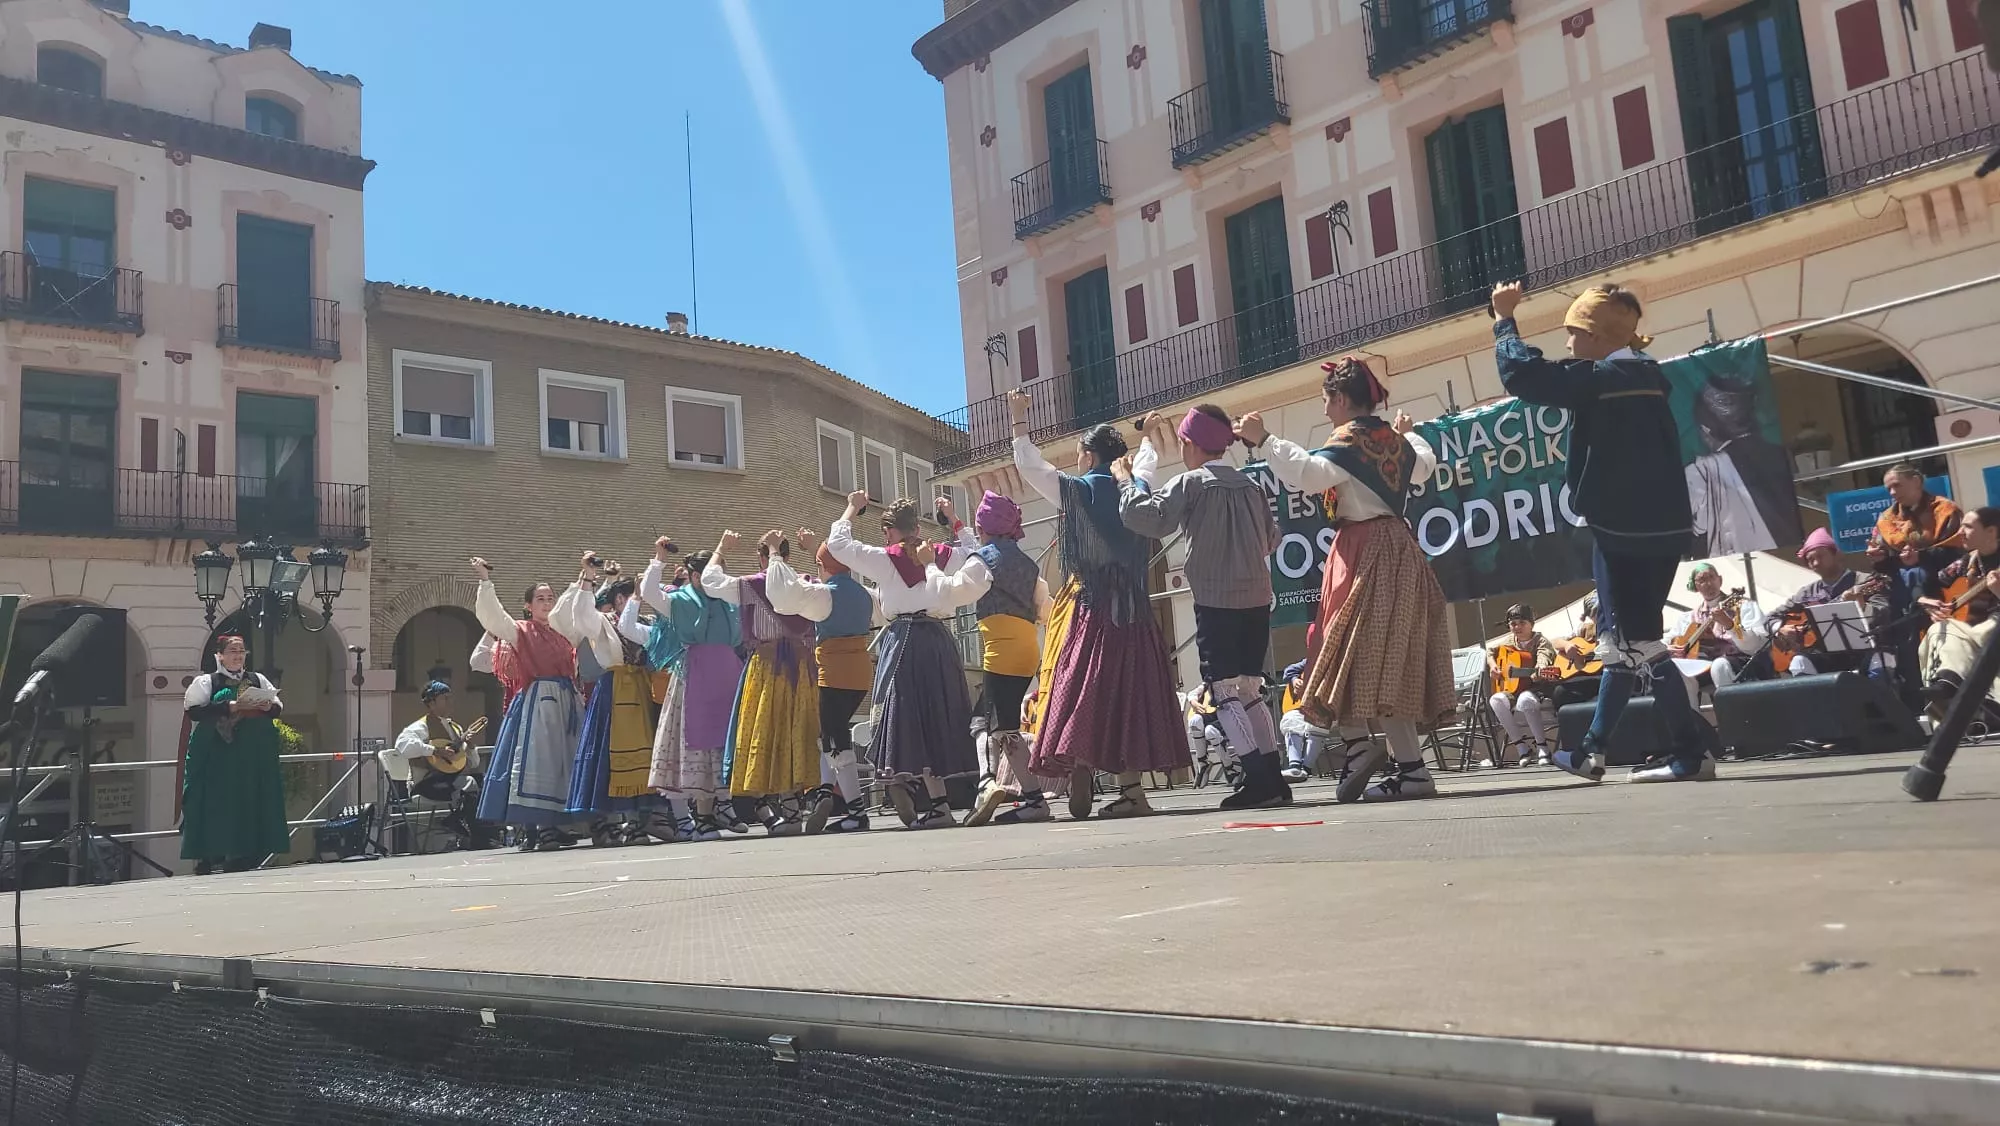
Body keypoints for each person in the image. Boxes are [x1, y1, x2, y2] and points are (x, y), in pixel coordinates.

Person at [1491, 281, 1718, 783]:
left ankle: (1690, 752)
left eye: (1573, 332)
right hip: (1659, 526)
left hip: (1624, 529)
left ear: (1594, 336)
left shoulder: (1608, 377)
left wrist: (1505, 319)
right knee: (1622, 639)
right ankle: (1591, 750)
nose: (1568, 343)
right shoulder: (1646, 376)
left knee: (1641, 641)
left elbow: (1523, 376)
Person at [1237, 357, 1454, 802]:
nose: (1323, 410)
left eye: (1325, 400)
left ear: (1340, 398)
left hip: (1363, 550)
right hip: (1400, 547)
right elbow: (1426, 465)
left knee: (1346, 651)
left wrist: (1265, 440)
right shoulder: (1391, 439)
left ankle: (1372, 753)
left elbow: (1311, 476)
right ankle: (1392, 761)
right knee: (1380, 656)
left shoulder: (1350, 438)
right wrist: (1409, 432)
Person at [1007, 390, 1190, 819]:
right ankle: (1132, 791)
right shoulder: (1135, 485)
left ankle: (1082, 763)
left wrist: (1018, 422)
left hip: (1093, 606)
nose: (1075, 462)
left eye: (1078, 455)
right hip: (1136, 610)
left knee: (1084, 686)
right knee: (1133, 694)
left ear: (1089, 456)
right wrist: (1146, 436)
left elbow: (1032, 467)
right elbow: (1146, 462)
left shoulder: (1078, 491)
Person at [1116, 404, 1285, 809]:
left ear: (1189, 444)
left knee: (1222, 689)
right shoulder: (1251, 487)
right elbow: (1272, 538)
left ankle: (1257, 779)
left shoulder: (1190, 482)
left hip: (1216, 598)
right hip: (1257, 598)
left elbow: (1150, 518)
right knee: (1251, 687)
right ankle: (1274, 777)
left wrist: (1126, 482)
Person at [828, 492, 992, 829]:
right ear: (917, 527)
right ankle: (938, 802)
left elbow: (838, 545)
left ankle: (914, 789)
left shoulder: (883, 559)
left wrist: (852, 508)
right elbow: (973, 551)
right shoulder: (941, 555)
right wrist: (953, 517)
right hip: (937, 641)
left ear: (889, 531)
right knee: (936, 718)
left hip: (902, 642)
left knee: (904, 719)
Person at [703, 529, 830, 836]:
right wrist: (814, 548)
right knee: (796, 732)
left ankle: (785, 810)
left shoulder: (755, 584)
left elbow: (711, 581)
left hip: (768, 666)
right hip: (803, 667)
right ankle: (795, 806)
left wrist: (721, 548)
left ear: (762, 557)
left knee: (769, 733)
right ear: (788, 556)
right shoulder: (805, 582)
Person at [471, 558, 586, 851]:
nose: (547, 603)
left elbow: (582, 614)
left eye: (551, 598)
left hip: (567, 702)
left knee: (566, 760)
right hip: (540, 704)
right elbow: (494, 617)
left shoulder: (565, 633)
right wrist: (485, 580)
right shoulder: (520, 631)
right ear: (528, 607)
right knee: (542, 762)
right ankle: (543, 826)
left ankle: (561, 822)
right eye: (540, 599)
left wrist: (585, 578)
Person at [560, 557, 675, 845]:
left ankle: (644, 820)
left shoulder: (644, 623)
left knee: (646, 755)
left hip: (641, 689)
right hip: (614, 692)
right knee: (608, 757)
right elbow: (581, 613)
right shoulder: (602, 622)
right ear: (619, 598)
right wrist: (588, 576)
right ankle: (613, 823)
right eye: (630, 596)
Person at [961, 490, 1058, 827]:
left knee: (991, 724)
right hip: (1026, 649)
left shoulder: (983, 558)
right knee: (997, 723)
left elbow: (960, 589)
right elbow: (1044, 608)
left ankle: (998, 787)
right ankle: (1024, 796)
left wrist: (931, 570)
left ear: (984, 527)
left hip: (1000, 647)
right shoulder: (1029, 565)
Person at [640, 539, 744, 842]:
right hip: (694, 677)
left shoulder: (728, 599)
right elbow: (648, 592)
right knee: (697, 743)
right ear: (696, 576)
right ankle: (702, 817)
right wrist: (658, 558)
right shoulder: (679, 601)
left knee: (725, 740)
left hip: (728, 674)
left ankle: (722, 807)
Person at [181, 634, 288, 874]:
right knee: (214, 801)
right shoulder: (207, 682)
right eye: (232, 651)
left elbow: (277, 708)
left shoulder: (257, 679)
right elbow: (194, 711)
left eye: (241, 651)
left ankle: (245, 853)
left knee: (247, 797)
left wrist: (267, 706)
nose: (238, 655)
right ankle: (211, 854)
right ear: (219, 655)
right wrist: (229, 707)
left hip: (250, 753)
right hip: (216, 754)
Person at [801, 529, 883, 835]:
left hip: (833, 670)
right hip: (861, 671)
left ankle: (855, 811)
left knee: (834, 739)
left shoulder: (825, 593)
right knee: (831, 735)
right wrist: (815, 547)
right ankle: (825, 789)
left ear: (823, 569)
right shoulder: (863, 594)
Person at [1869, 464, 1963, 703]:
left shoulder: (1945, 510)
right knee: (1899, 638)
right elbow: (1884, 563)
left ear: (1916, 482)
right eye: (1888, 488)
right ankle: (1912, 699)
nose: (1892, 493)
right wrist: (1879, 559)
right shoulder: (1887, 519)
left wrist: (1921, 557)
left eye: (1896, 485)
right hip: (1902, 593)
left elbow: (1958, 553)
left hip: (1940, 585)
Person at [1685, 373, 1794, 557]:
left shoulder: (1701, 470)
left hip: (1731, 556)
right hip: (1784, 552)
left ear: (1706, 428)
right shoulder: (1781, 454)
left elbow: (1698, 524)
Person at [1763, 527, 1891, 679]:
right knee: (1799, 661)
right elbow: (1770, 617)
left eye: (1821, 556)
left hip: (1866, 651)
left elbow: (1884, 613)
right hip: (1825, 656)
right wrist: (1780, 629)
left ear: (1836, 554)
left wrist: (1861, 605)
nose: (1816, 563)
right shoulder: (1807, 592)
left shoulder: (1865, 581)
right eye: (1810, 560)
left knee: (1883, 659)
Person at [386, 681, 496, 851]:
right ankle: (476, 836)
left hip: (449, 781)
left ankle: (481, 832)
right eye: (445, 698)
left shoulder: (456, 728)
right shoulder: (421, 726)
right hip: (425, 784)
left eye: (450, 698)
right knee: (469, 784)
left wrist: (471, 746)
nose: (450, 702)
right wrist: (435, 751)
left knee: (482, 780)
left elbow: (473, 763)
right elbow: (403, 745)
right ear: (431, 703)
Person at [1917, 505, 2000, 713]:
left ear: (1991, 531)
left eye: (1968, 527)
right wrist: (1924, 600)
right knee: (1939, 628)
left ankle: (1952, 685)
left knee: (1983, 628)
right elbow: (1927, 583)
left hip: (1993, 632)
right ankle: (1947, 685)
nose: (1960, 532)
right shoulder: (1968, 561)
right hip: (1971, 634)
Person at [1667, 562, 1766, 693]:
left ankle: (1730, 711)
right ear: (1696, 586)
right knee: (1677, 671)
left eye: (1711, 577)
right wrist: (1668, 648)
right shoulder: (1687, 618)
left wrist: (1729, 625)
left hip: (1742, 664)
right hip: (1703, 666)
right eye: (1702, 580)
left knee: (1719, 665)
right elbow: (1665, 641)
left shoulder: (1745, 607)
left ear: (1720, 580)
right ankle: (1691, 713)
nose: (1708, 583)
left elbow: (1755, 646)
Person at [1487, 603, 1559, 768]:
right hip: (1513, 688)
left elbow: (1544, 657)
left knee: (1525, 700)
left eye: (1522, 623)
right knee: (1496, 700)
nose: (1517, 627)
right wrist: (1493, 666)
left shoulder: (1541, 641)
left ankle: (1542, 747)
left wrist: (1540, 669)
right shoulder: (1509, 641)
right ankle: (1521, 747)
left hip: (1537, 688)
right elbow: (1491, 651)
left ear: (1531, 624)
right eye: (1513, 624)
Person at [1277, 660, 1329, 783]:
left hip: (1324, 708)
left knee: (1319, 724)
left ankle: (1306, 768)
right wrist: (1295, 680)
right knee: (1291, 720)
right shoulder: (1311, 660)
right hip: (1300, 706)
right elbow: (1289, 670)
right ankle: (1294, 766)